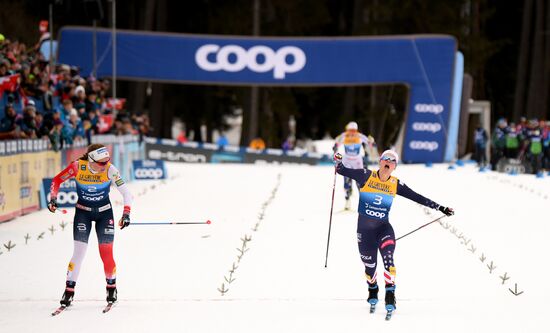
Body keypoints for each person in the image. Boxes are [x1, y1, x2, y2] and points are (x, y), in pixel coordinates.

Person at [333, 149, 454, 313]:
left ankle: (390, 293)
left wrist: (440, 207)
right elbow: (342, 170)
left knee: (388, 260)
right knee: (370, 267)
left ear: (394, 167)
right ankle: (373, 288)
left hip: (384, 229)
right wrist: (338, 161)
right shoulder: (365, 175)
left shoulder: (395, 184)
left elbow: (417, 197)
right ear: (380, 162)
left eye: (392, 161)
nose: (388, 162)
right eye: (385, 159)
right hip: (364, 232)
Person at [47, 144, 133, 307]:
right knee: (78, 253)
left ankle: (111, 288)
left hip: (104, 213)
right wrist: (53, 198)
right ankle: (69, 290)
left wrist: (126, 213)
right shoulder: (78, 167)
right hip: (83, 213)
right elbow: (57, 180)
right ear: (91, 159)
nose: (105, 165)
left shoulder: (110, 169)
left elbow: (127, 193)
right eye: (101, 162)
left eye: (107, 161)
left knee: (106, 253)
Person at [333, 121, 375, 209]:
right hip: (347, 160)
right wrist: (335, 147)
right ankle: (347, 200)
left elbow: (370, 143)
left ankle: (363, 201)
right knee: (347, 180)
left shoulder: (359, 136)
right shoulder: (344, 136)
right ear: (347, 130)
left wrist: (371, 142)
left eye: (353, 130)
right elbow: (337, 143)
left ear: (356, 130)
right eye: (350, 130)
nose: (351, 133)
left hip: (357, 161)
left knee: (360, 180)